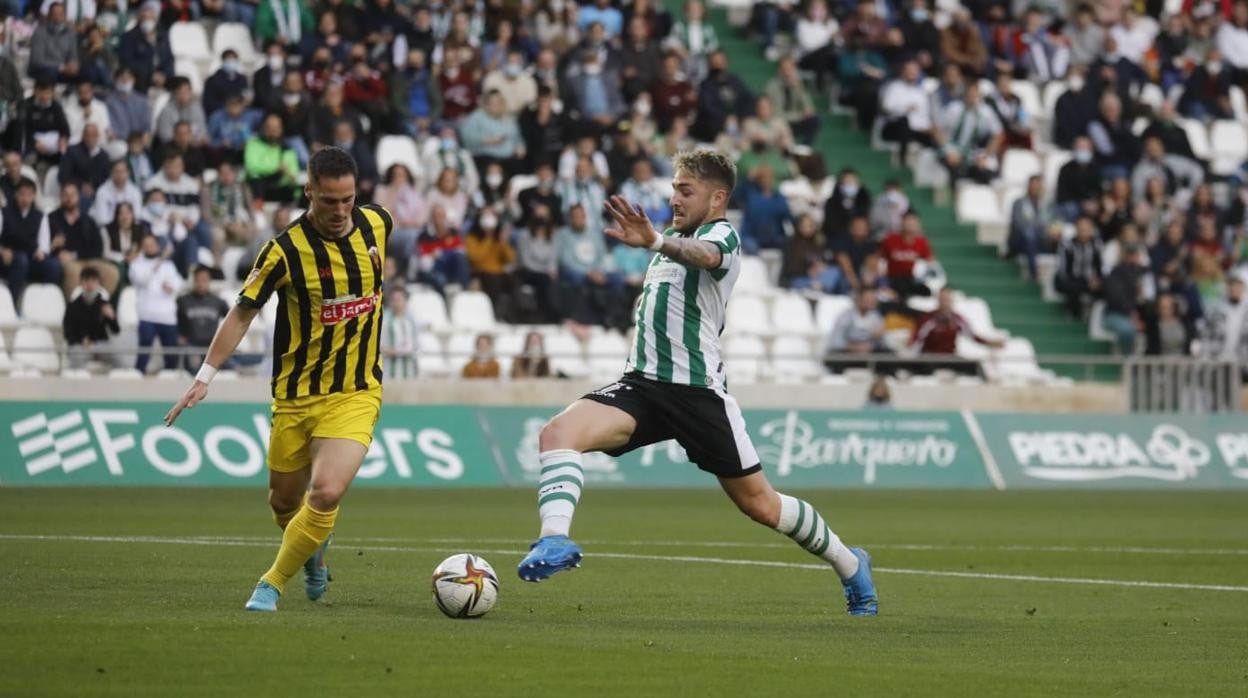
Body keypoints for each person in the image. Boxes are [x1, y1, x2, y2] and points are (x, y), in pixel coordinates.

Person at [517, 150, 878, 617]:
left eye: (686, 191)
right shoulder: (668, 236)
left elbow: (705, 256)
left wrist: (654, 242)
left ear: (718, 197)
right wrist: (655, 241)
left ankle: (851, 565)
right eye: (673, 190)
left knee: (762, 506)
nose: (675, 199)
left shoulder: (720, 235)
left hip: (697, 394)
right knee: (557, 434)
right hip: (643, 386)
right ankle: (554, 541)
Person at [165, 147, 392, 613]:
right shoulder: (284, 251)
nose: (340, 210)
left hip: (356, 391)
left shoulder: (378, 224)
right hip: (294, 398)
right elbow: (242, 313)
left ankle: (271, 583)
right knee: (283, 502)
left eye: (348, 199)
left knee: (326, 492)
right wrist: (204, 376)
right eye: (329, 200)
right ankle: (313, 555)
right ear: (309, 192)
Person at [910, 287, 1005, 376]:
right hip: (930, 357)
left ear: (952, 301)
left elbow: (972, 336)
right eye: (942, 299)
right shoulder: (928, 318)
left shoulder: (957, 319)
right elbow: (917, 337)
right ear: (938, 300)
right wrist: (909, 345)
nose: (945, 302)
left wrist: (990, 343)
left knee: (975, 367)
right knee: (922, 369)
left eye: (947, 299)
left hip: (950, 358)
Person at [0, 178, 62, 303]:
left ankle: (45, 302)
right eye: (22, 194)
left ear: (34, 196)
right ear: (16, 195)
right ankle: (12, 303)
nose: (25, 198)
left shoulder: (40, 216)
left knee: (54, 265)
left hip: (31, 257)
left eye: (29, 195)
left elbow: (43, 243)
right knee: (21, 260)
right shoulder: (4, 212)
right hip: (8, 257)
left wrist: (42, 252)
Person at [129, 231, 181, 373]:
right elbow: (142, 279)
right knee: (144, 354)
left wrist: (171, 287)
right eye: (146, 245)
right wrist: (161, 259)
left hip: (167, 317)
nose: (150, 248)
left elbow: (178, 284)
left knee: (171, 355)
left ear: (157, 246)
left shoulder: (169, 266)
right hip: (147, 316)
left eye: (152, 245)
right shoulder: (136, 265)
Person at [63, 264, 119, 369]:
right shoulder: (73, 306)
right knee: (77, 358)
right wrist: (81, 339)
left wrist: (112, 318)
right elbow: (68, 332)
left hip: (100, 345)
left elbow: (116, 330)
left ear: (98, 284)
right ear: (81, 283)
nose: (89, 285)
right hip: (80, 345)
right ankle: (77, 384)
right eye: (86, 281)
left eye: (93, 281)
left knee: (117, 358)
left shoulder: (104, 304)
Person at [176, 265, 229, 373]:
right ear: (194, 281)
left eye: (204, 280)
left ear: (209, 281)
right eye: (198, 280)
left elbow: (233, 320)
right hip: (192, 345)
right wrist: (180, 336)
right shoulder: (183, 301)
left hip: (212, 347)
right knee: (195, 369)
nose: (201, 284)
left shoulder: (218, 301)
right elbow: (175, 322)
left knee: (232, 365)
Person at [824, 288, 890, 373]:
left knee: (888, 356)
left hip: (868, 355)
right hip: (849, 355)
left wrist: (877, 339)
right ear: (859, 300)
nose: (871, 302)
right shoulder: (845, 316)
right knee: (834, 358)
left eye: (873, 300)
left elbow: (883, 344)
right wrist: (856, 348)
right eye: (868, 299)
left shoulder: (876, 317)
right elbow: (836, 341)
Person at [380, 284, 419, 379]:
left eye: (399, 299)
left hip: (410, 373)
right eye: (394, 300)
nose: (396, 303)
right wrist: (394, 351)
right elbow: (377, 346)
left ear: (406, 301)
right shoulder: (383, 320)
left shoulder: (413, 320)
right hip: (390, 373)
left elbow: (417, 345)